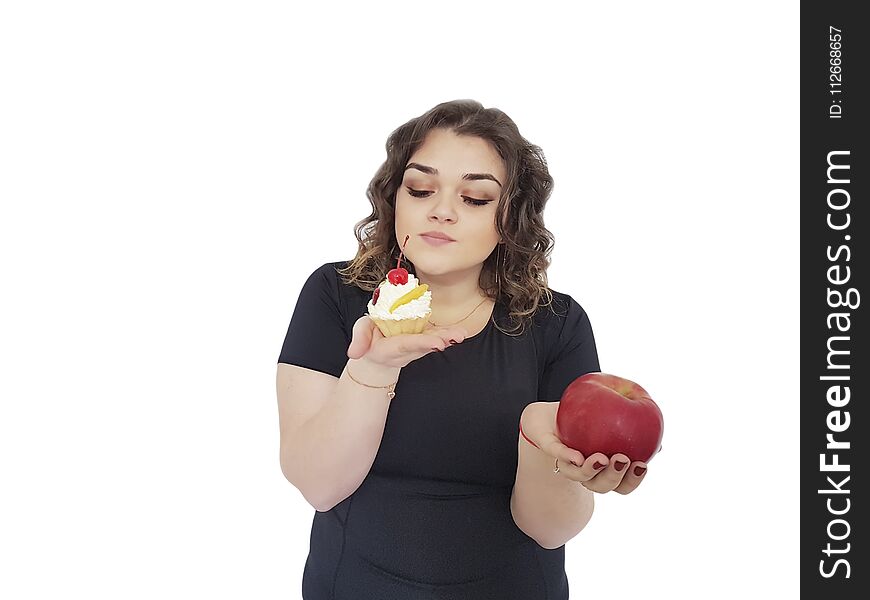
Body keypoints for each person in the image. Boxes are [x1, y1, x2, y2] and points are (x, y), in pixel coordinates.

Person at [276, 99, 650, 599]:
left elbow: (550, 529)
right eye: (421, 188)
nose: (442, 209)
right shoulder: (336, 293)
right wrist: (372, 370)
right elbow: (319, 486)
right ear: (396, 199)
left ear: (509, 218)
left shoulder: (558, 325)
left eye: (475, 198)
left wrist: (542, 446)